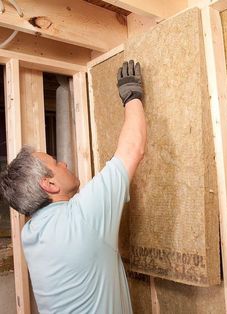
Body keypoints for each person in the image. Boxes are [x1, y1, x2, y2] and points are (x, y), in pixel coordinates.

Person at [0, 60, 146, 314]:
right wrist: (132, 95)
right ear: (49, 184)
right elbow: (133, 149)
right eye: (56, 163)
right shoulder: (81, 218)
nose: (64, 162)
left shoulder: (30, 234)